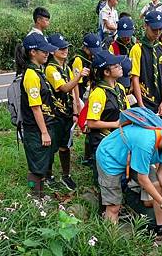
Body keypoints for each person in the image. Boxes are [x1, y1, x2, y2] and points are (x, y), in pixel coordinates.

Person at [95, 114, 162, 244]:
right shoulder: (147, 142)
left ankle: (161, 231)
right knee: (113, 207)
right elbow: (143, 180)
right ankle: (109, 244)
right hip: (111, 157)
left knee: (158, 185)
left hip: (132, 155)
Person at [15, 33, 59, 198]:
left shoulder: (38, 72)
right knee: (36, 168)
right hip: (36, 129)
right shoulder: (31, 75)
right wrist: (44, 132)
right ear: (33, 52)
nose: (47, 54)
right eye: (43, 51)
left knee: (42, 164)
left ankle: (40, 195)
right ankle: (35, 197)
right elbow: (35, 107)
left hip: (45, 124)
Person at [45, 33, 89, 190]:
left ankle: (66, 175)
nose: (65, 50)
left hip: (68, 113)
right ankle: (48, 175)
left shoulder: (66, 67)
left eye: (66, 47)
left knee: (66, 145)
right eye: (60, 48)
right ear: (51, 50)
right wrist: (78, 77)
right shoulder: (51, 69)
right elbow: (63, 87)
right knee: (51, 146)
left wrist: (77, 107)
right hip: (54, 114)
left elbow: (74, 88)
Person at [86, 50, 130, 182]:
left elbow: (126, 109)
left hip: (118, 138)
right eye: (116, 66)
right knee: (105, 178)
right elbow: (91, 123)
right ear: (106, 72)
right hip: (103, 141)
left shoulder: (120, 88)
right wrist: (115, 124)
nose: (120, 67)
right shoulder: (98, 93)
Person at [130, 11, 162, 116]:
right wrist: (141, 105)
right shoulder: (137, 49)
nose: (158, 32)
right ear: (146, 26)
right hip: (144, 99)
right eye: (154, 29)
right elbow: (135, 78)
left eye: (160, 29)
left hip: (160, 100)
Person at [71, 33, 102, 166]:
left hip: (87, 91)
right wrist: (77, 101)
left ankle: (88, 155)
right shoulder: (78, 60)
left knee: (88, 129)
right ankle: (87, 156)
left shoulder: (89, 58)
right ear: (85, 48)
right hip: (80, 93)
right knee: (86, 125)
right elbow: (76, 83)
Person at [109, 16, 135, 88]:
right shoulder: (113, 47)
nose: (126, 38)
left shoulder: (135, 45)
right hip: (119, 80)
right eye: (124, 36)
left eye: (128, 35)